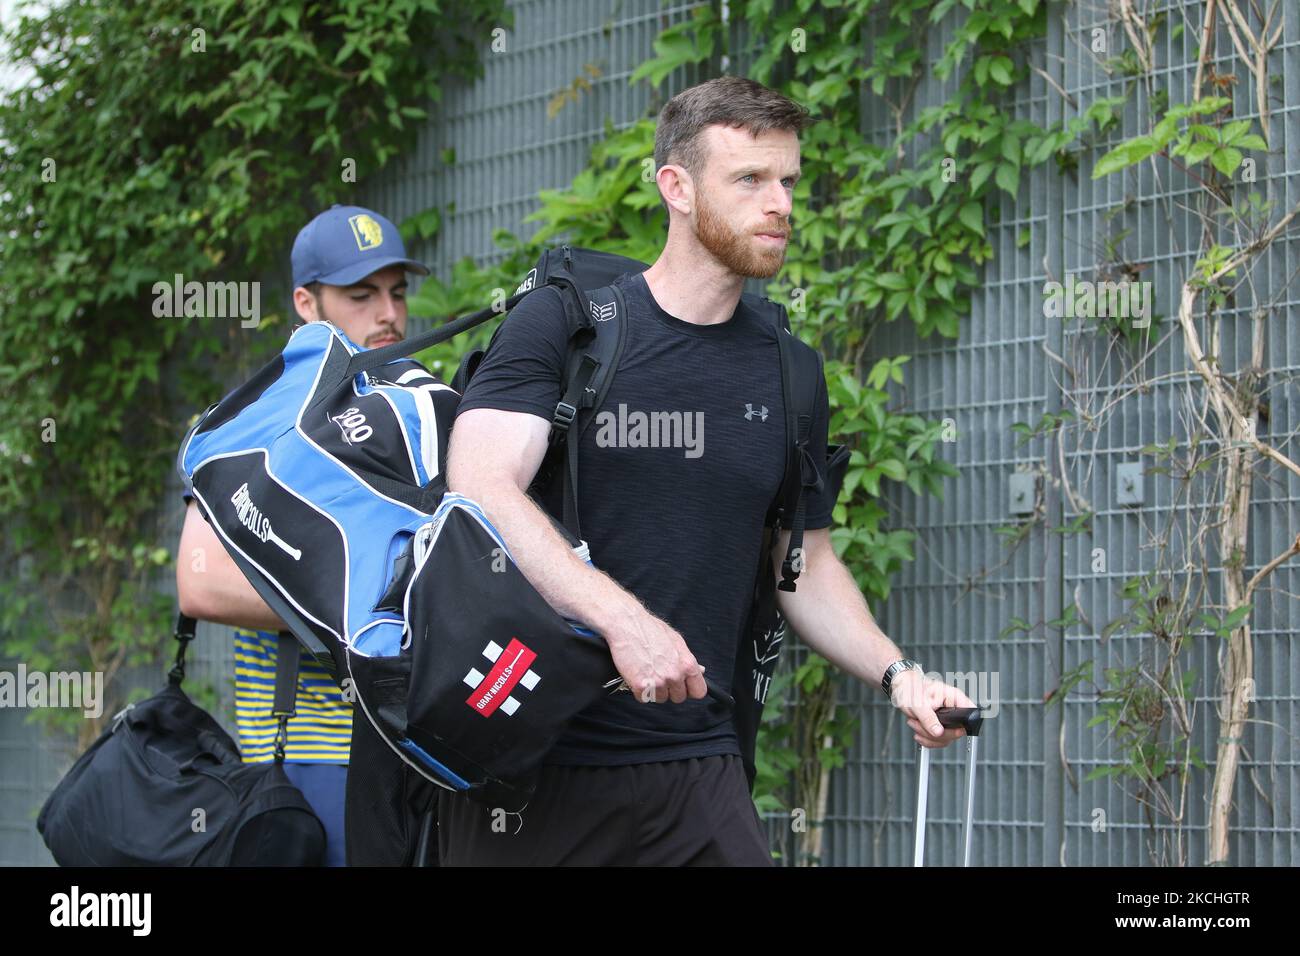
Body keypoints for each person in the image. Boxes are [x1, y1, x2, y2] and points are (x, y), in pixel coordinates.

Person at [439, 75, 976, 866]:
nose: (782, 204)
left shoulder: (792, 373)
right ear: (677, 187)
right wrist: (626, 622)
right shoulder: (566, 327)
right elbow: (480, 486)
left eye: (789, 180)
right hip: (536, 760)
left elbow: (804, 563)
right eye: (751, 179)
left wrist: (899, 674)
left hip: (701, 762)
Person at [176, 205, 430, 866]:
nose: (388, 315)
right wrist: (365, 613)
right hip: (309, 762)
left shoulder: (412, 408)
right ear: (305, 302)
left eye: (397, 292)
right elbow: (200, 581)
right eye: (360, 295)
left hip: (415, 752)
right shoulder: (257, 417)